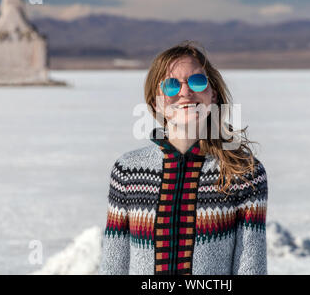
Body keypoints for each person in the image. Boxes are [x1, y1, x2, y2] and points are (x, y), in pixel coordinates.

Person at [98, 41, 268, 275]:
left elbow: (251, 266)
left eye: (197, 82)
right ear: (155, 101)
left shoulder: (242, 171)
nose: (185, 93)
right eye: (170, 85)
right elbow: (113, 265)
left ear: (213, 95)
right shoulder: (128, 171)